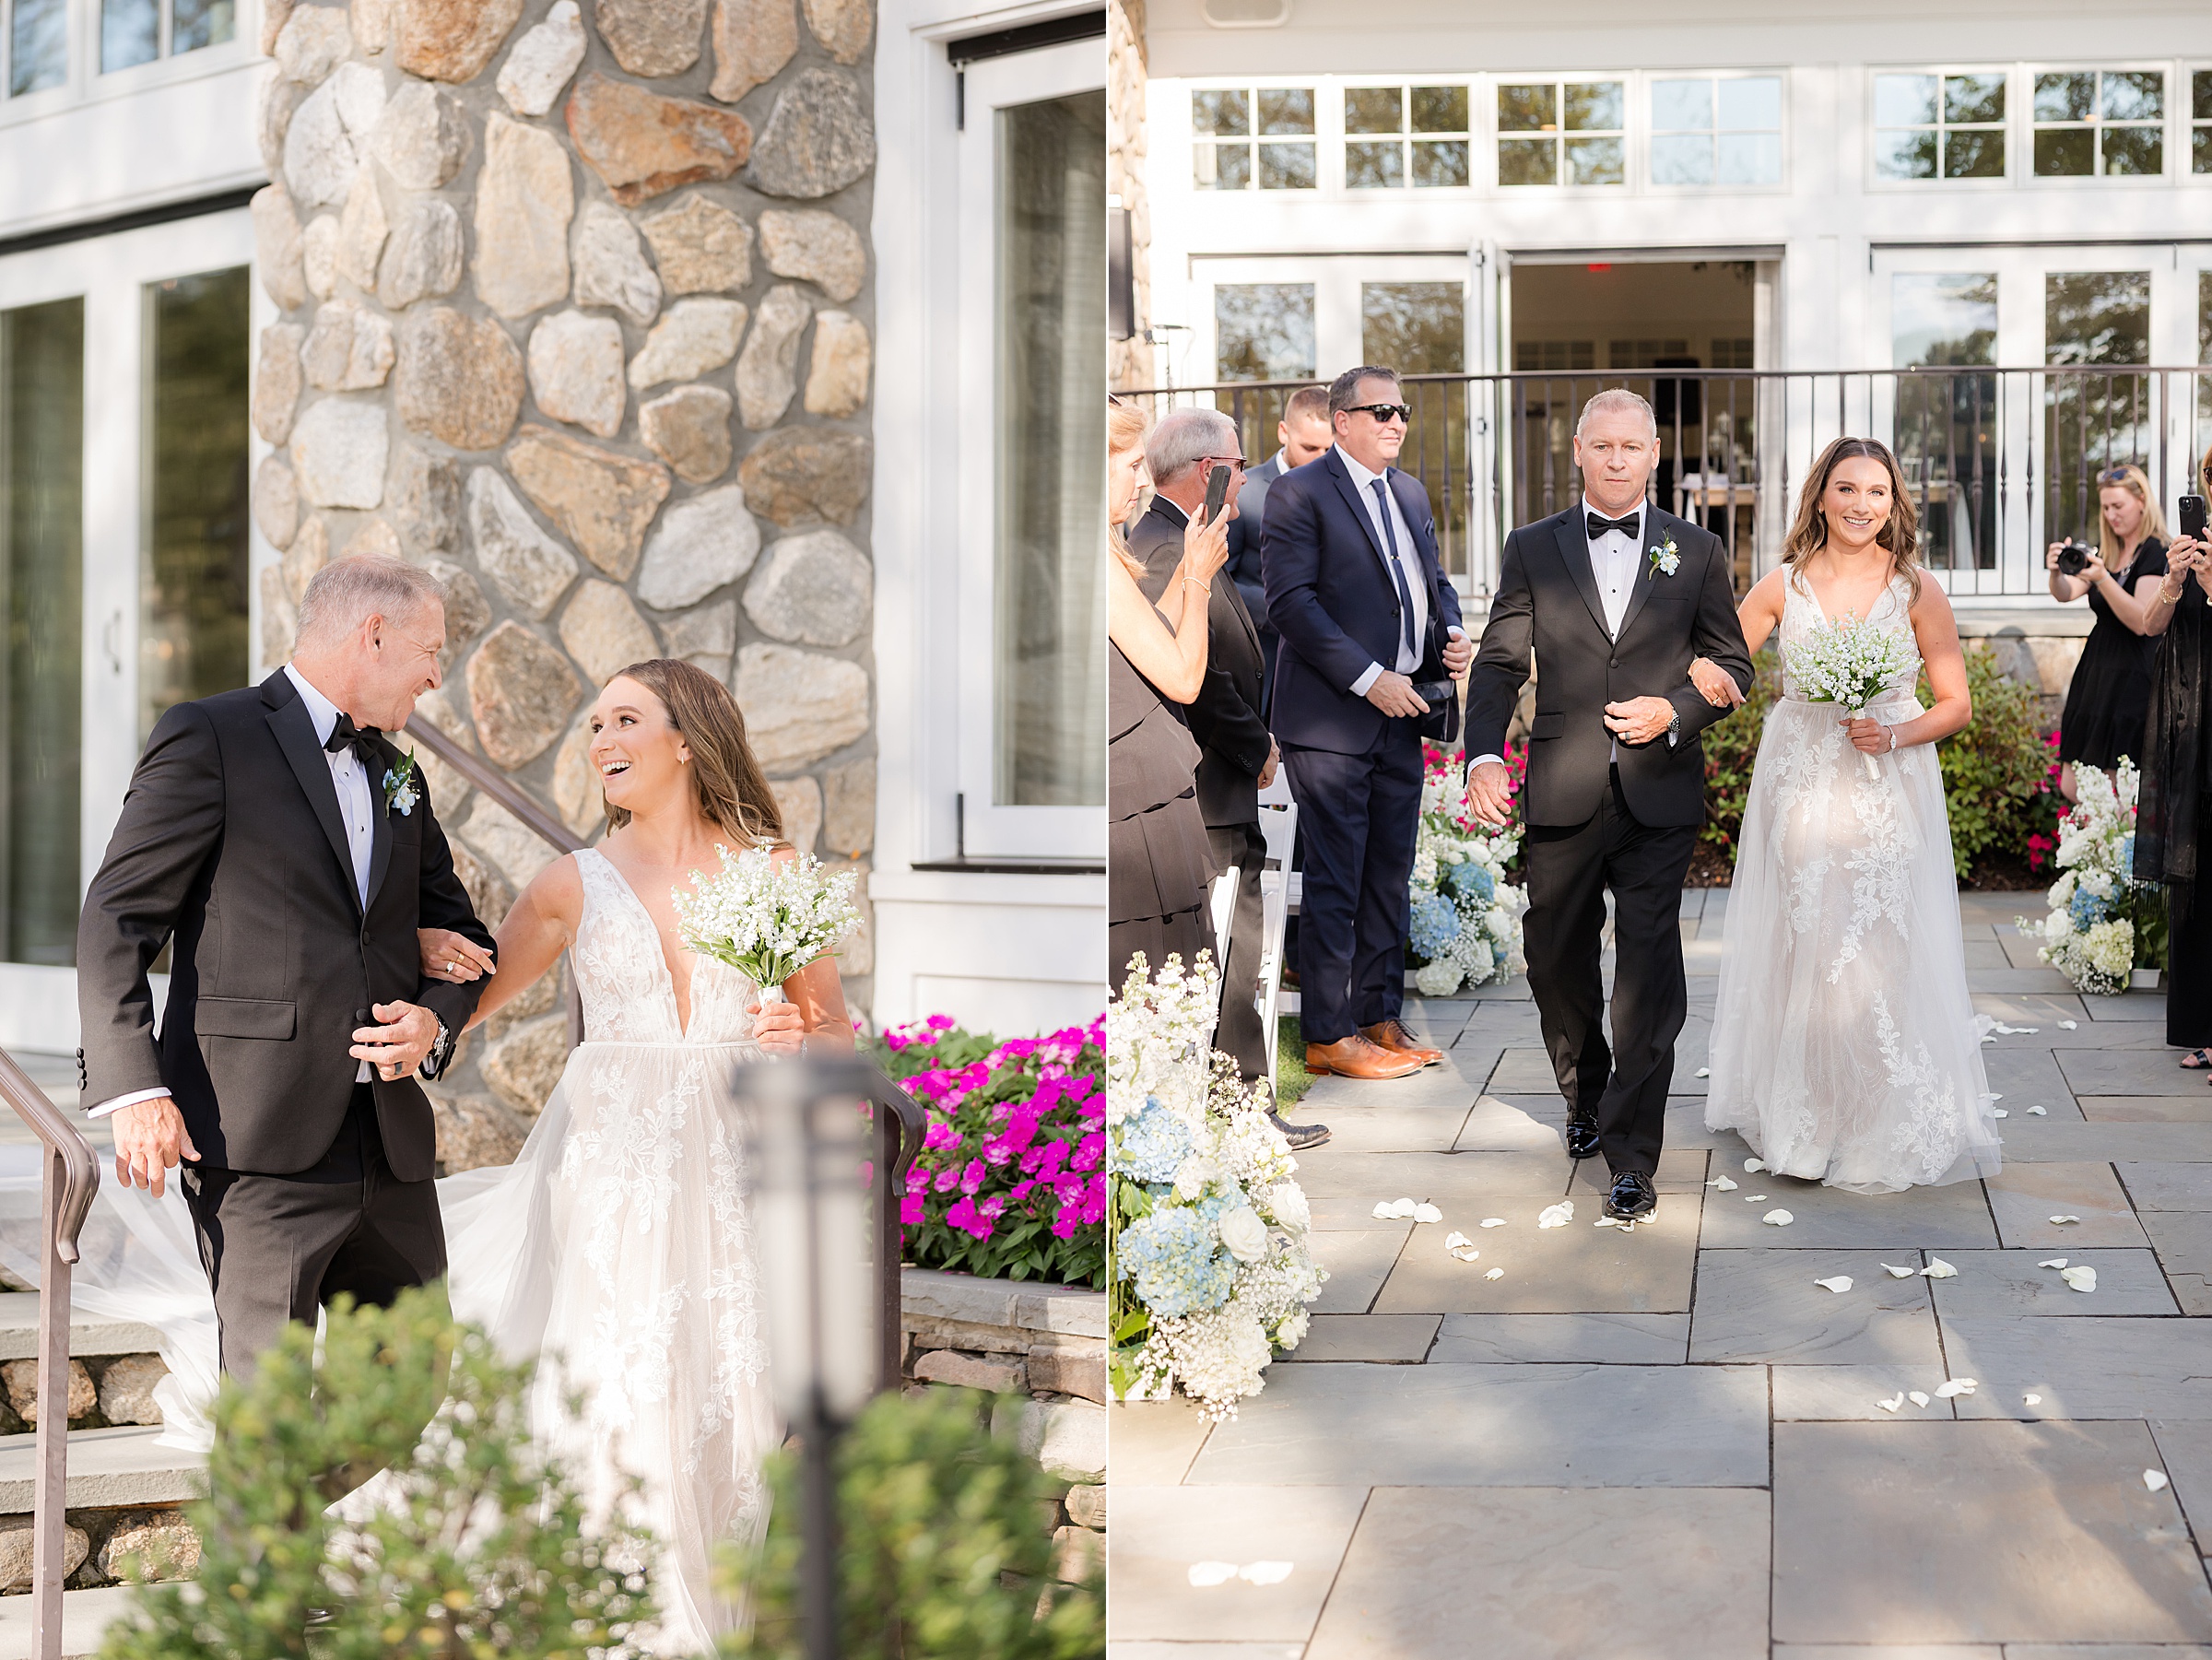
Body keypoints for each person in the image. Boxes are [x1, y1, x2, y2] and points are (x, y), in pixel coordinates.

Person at [419, 657, 847, 1651]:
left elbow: (836, 1033)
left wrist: (798, 1033)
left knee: (731, 1406)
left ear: (687, 740)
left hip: (736, 1180)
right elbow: (466, 1006)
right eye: (595, 726)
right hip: (614, 1183)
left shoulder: (774, 872)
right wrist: (412, 986)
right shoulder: (570, 882)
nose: (601, 741)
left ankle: (714, 1614)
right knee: (622, 1398)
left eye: (624, 720)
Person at [75, 557, 493, 1410]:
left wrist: (434, 1022)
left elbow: (469, 940)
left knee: (409, 1396)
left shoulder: (399, 773)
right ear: (374, 635)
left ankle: (291, 1507)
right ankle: (267, 1504)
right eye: (430, 650)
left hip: (390, 1146)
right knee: (270, 1418)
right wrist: (133, 1090)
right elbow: (117, 916)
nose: (435, 676)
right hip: (255, 1143)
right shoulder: (210, 735)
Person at [1464, 389, 1752, 1221]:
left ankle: (1633, 1152)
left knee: (1648, 971)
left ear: (1654, 453)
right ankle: (1585, 1093)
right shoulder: (1532, 547)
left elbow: (1733, 664)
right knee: (1554, 957)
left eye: (1632, 446)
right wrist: (1485, 753)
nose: (1618, 458)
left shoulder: (1698, 549)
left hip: (1660, 790)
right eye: (1603, 445)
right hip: (1563, 784)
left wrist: (1676, 711)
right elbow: (1499, 662)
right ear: (1580, 452)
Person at [1687, 437, 2001, 1193]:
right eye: (1848, 488)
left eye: (1878, 491)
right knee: (1807, 936)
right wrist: (1699, 669)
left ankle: (1871, 1113)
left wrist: (1894, 733)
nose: (1863, 504)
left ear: (1894, 503)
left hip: (1888, 781)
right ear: (1821, 497)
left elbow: (1955, 703)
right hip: (1801, 776)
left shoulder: (1916, 589)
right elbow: (1725, 664)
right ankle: (1809, 1112)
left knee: (1879, 943)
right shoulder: (1782, 585)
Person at [1265, 365, 1471, 1081]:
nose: (1396, 422)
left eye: (1402, 411)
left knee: (1389, 873)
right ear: (1342, 420)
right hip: (1332, 720)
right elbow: (1291, 604)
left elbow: (1433, 583)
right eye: (1380, 411)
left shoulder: (1408, 492)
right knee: (1336, 877)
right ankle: (1329, 1033)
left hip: (1405, 712)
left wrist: (1452, 631)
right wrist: (1369, 677)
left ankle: (1378, 1017)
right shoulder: (1298, 492)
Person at [1129, 408, 1326, 1148]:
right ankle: (1242, 1116)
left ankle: (1238, 1110)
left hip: (1221, 784)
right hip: (1205, 789)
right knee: (1229, 957)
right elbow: (1197, 675)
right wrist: (1255, 743)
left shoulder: (1189, 539)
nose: (1247, 479)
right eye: (1239, 466)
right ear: (1209, 471)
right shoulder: (1160, 549)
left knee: (1235, 954)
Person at [1107, 395, 1233, 983]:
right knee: (1156, 990)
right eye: (1132, 465)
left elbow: (1154, 636)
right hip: (1135, 810)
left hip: (1150, 795)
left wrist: (1191, 563)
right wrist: (1199, 578)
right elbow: (1183, 678)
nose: (1143, 482)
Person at [2132, 442, 2212, 1071]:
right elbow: (2151, 625)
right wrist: (2177, 581)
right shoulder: (2191, 545)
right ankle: (2201, 1026)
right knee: (2195, 876)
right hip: (2191, 726)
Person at [2047, 462, 2171, 801]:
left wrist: (2103, 578)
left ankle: (2114, 837)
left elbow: (2141, 621)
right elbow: (2065, 593)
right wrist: (2056, 572)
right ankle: (2096, 835)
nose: (2111, 515)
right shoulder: (2108, 552)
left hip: (2134, 676)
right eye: (2105, 508)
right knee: (2072, 783)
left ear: (2142, 501)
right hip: (2097, 672)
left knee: (2118, 787)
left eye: (2118, 506)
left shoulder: (2156, 551)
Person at [1226, 383, 1333, 693]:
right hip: (1268, 663)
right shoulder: (1245, 492)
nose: (1321, 460)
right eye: (1310, 448)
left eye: (1329, 450)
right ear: (1283, 432)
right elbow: (1219, 580)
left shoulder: (1341, 491)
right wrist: (1285, 610)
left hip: (1331, 669)